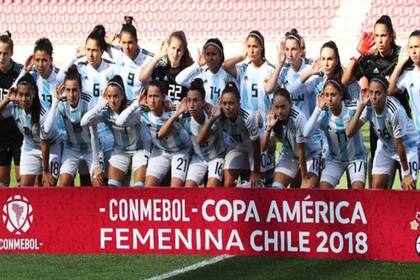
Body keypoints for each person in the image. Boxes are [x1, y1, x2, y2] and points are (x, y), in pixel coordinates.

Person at [57, 25, 115, 186]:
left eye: (95, 50)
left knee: (106, 181)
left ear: (102, 51)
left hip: (105, 132)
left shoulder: (110, 69)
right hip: (82, 130)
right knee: (84, 181)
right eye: (88, 49)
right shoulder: (81, 69)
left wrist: (111, 48)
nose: (90, 54)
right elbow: (60, 79)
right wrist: (74, 58)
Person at [346, 75, 418, 189]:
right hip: (386, 145)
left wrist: (406, 173)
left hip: (408, 146)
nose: (373, 97)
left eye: (378, 93)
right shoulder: (369, 107)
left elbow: (399, 143)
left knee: (408, 186)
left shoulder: (395, 111)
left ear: (386, 93)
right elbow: (349, 132)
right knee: (376, 187)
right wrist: (360, 107)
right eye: (371, 92)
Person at [116, 80, 191, 187]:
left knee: (176, 188)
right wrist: (136, 104)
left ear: (163, 97)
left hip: (180, 150)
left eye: (156, 96)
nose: (152, 100)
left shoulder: (174, 109)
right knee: (148, 188)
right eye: (150, 96)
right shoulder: (143, 113)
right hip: (160, 151)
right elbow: (119, 122)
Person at [222, 30, 276, 181]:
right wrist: (241, 56)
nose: (252, 50)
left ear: (262, 48)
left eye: (255, 46)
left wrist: (270, 128)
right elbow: (225, 66)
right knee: (246, 177)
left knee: (264, 179)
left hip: (264, 129)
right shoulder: (243, 68)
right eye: (249, 46)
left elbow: (274, 100)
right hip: (245, 129)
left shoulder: (269, 69)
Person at [81, 75, 151, 187]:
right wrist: (98, 106)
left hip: (140, 149)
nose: (112, 101)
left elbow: (120, 121)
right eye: (109, 96)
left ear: (122, 95)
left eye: (115, 96)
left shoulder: (134, 107)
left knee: (139, 188)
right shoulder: (105, 110)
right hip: (121, 150)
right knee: (112, 189)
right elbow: (84, 122)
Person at [303, 78, 367, 189]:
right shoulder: (323, 113)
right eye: (326, 95)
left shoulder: (353, 107)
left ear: (341, 95)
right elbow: (306, 133)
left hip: (356, 158)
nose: (329, 99)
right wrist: (318, 108)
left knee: (358, 191)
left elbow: (367, 112)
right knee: (324, 190)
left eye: (333, 94)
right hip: (335, 160)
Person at [0, 73, 62, 186]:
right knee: (25, 186)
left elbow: (45, 143)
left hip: (51, 146)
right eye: (21, 94)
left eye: (27, 95)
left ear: (34, 94)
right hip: (30, 146)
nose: (24, 99)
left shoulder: (42, 114)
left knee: (48, 185)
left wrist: (45, 171)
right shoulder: (15, 106)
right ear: (17, 94)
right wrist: (7, 100)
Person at [44, 66, 100, 186]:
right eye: (68, 90)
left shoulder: (89, 100)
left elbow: (94, 135)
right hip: (72, 149)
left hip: (92, 148)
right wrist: (55, 101)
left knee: (98, 184)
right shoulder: (62, 101)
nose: (71, 94)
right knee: (64, 184)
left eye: (75, 90)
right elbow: (46, 130)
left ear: (81, 90)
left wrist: (96, 163)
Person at [197, 82, 261, 188]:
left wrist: (256, 172)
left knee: (256, 184)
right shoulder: (219, 115)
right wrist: (213, 118)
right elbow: (200, 139)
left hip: (253, 149)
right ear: (220, 103)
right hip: (236, 147)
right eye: (224, 103)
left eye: (231, 103)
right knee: (228, 184)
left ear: (239, 103)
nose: (227, 107)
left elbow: (256, 146)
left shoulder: (248, 117)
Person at [163, 78, 225, 187]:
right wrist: (176, 114)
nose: (191, 105)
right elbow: (161, 134)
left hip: (216, 157)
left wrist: (212, 119)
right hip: (199, 158)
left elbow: (199, 139)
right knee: (188, 189)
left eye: (195, 100)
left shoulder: (213, 115)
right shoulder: (185, 117)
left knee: (211, 188)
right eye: (189, 100)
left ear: (203, 102)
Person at [261, 88, 321, 188]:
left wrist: (304, 178)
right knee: (276, 188)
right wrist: (269, 128)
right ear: (272, 105)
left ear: (291, 103)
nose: (280, 111)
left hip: (310, 154)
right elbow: (263, 148)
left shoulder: (298, 117)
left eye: (283, 107)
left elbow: (301, 150)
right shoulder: (272, 115)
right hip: (290, 154)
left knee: (306, 189)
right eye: (277, 107)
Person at [265, 29, 315, 119]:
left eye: (293, 49)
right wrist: (280, 64)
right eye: (287, 49)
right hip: (289, 124)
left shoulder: (310, 68)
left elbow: (295, 91)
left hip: (307, 124)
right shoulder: (284, 70)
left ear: (300, 51)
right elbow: (268, 89)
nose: (290, 54)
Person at [103, 17, 154, 101]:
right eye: (124, 42)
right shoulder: (118, 52)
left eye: (130, 43)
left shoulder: (148, 58)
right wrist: (111, 40)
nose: (126, 47)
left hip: (138, 108)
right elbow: (99, 40)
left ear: (136, 41)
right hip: (120, 106)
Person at [388, 30, 420, 163]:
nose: (413, 51)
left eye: (417, 47)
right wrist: (400, 64)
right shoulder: (408, 74)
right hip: (417, 134)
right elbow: (389, 90)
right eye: (411, 47)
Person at [139, 31, 194, 106]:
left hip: (180, 113)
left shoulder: (188, 69)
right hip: (161, 112)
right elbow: (142, 78)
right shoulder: (160, 66)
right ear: (168, 48)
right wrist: (158, 56)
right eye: (173, 48)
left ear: (184, 51)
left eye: (179, 50)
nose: (175, 53)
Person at [175, 38, 236, 104]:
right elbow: (179, 80)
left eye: (213, 54)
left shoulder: (229, 75)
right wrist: (197, 65)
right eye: (207, 54)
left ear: (221, 56)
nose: (210, 58)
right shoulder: (201, 76)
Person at [0, 32, 23, 186]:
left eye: (5, 53)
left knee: (23, 180)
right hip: (1, 134)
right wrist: (7, 99)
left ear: (11, 54)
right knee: (3, 182)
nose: (2, 57)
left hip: (20, 133)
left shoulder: (20, 72)